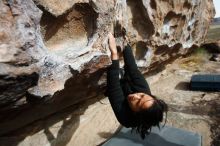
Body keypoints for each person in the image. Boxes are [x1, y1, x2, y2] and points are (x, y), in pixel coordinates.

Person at [106, 33, 168, 139]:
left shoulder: (125, 118)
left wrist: (114, 53)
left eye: (138, 103)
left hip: (118, 88)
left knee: (112, 72)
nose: (136, 96)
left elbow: (113, 88)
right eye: (142, 96)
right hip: (126, 82)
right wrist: (124, 44)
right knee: (123, 72)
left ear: (136, 114)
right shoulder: (144, 90)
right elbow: (132, 69)